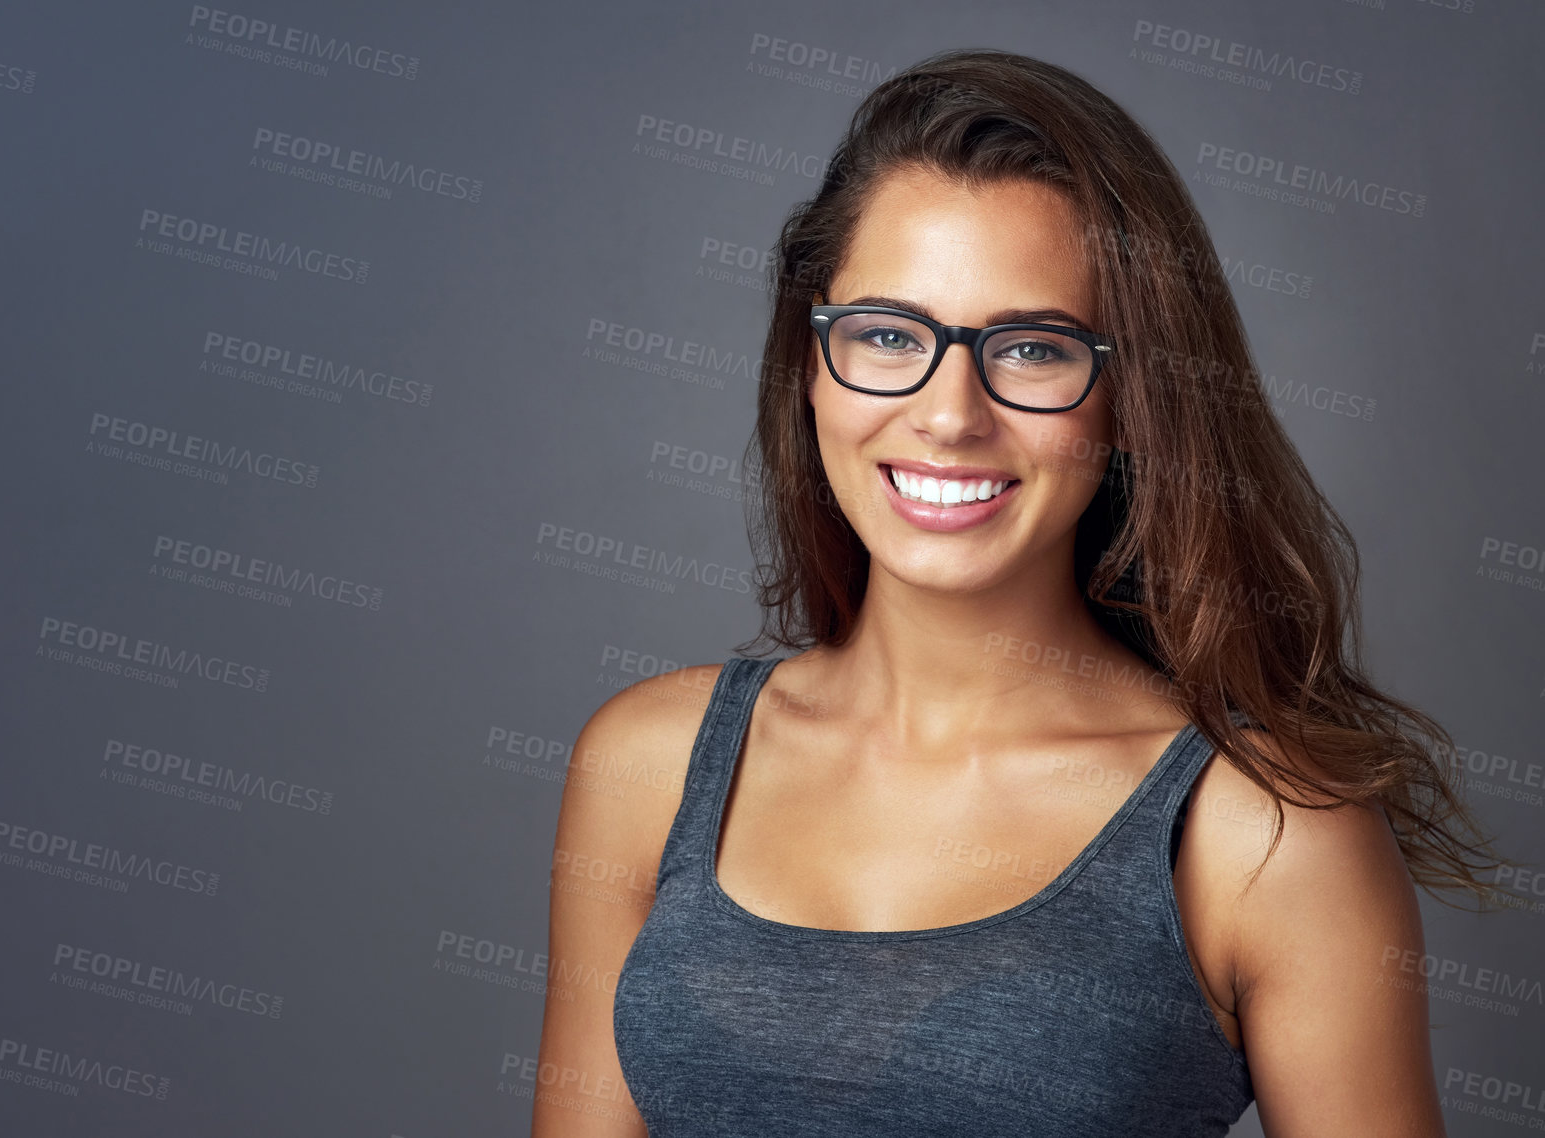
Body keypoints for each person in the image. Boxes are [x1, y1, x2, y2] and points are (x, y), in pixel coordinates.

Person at [531, 47, 1508, 1138]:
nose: (948, 413)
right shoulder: (644, 764)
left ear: (1130, 398)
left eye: (1032, 348)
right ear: (808, 363)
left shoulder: (1262, 830)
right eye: (889, 335)